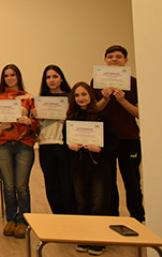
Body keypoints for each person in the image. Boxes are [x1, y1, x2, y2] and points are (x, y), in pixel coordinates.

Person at [0, 64, 38, 239]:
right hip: (3, 145)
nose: (10, 78)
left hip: (24, 145)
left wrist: (30, 122)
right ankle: (11, 219)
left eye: (12, 75)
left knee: (21, 186)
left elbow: (37, 124)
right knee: (8, 185)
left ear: (18, 76)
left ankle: (23, 221)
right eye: (6, 76)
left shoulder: (29, 98)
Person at [93, 45, 145, 222]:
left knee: (132, 183)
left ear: (126, 60)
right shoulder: (96, 81)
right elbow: (93, 111)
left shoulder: (135, 83)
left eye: (118, 56)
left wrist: (122, 100)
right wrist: (105, 99)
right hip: (105, 140)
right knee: (108, 183)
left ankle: (137, 219)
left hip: (129, 138)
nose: (114, 59)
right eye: (110, 56)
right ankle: (113, 219)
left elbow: (139, 113)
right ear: (105, 60)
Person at [66, 82, 117, 256]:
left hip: (98, 167)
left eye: (84, 94)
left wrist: (100, 149)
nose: (81, 98)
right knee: (82, 203)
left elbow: (113, 142)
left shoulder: (102, 117)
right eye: (77, 95)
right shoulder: (71, 117)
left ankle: (98, 240)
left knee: (99, 203)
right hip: (78, 166)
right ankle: (85, 237)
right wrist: (70, 146)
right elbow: (66, 141)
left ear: (90, 96)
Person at [35, 65, 76, 215]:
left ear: (61, 79)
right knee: (52, 185)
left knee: (67, 184)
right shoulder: (41, 100)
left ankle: (70, 217)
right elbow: (38, 127)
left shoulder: (71, 98)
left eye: (55, 76)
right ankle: (57, 217)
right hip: (45, 145)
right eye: (48, 77)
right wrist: (36, 118)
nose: (51, 80)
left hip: (64, 145)